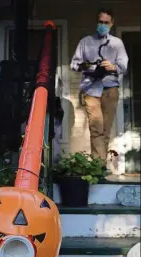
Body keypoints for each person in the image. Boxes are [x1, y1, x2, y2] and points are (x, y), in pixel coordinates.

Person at [70, 8, 129, 168]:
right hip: (91, 89)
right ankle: (98, 166)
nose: (103, 25)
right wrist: (87, 66)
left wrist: (112, 66)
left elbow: (123, 65)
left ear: (112, 23)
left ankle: (99, 165)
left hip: (110, 89)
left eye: (106, 23)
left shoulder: (117, 43)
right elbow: (74, 64)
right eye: (100, 22)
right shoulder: (85, 42)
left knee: (105, 129)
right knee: (96, 128)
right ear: (96, 23)